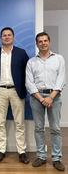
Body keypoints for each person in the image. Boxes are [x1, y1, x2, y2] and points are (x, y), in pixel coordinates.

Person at [0, 27, 29, 164]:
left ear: (13, 37)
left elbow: (27, 73)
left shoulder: (21, 53)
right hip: (0, 91)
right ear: (1, 38)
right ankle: (1, 150)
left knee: (20, 123)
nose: (6, 37)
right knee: (0, 122)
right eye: (4, 35)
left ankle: (22, 152)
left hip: (16, 91)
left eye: (9, 35)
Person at [26, 32, 66, 171]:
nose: (43, 43)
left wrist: (51, 97)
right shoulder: (31, 62)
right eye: (40, 41)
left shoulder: (59, 59)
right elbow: (29, 83)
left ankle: (56, 158)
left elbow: (61, 80)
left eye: (45, 41)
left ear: (49, 42)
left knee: (55, 128)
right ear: (37, 44)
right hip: (37, 98)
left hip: (54, 97)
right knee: (39, 128)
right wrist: (41, 98)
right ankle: (41, 156)